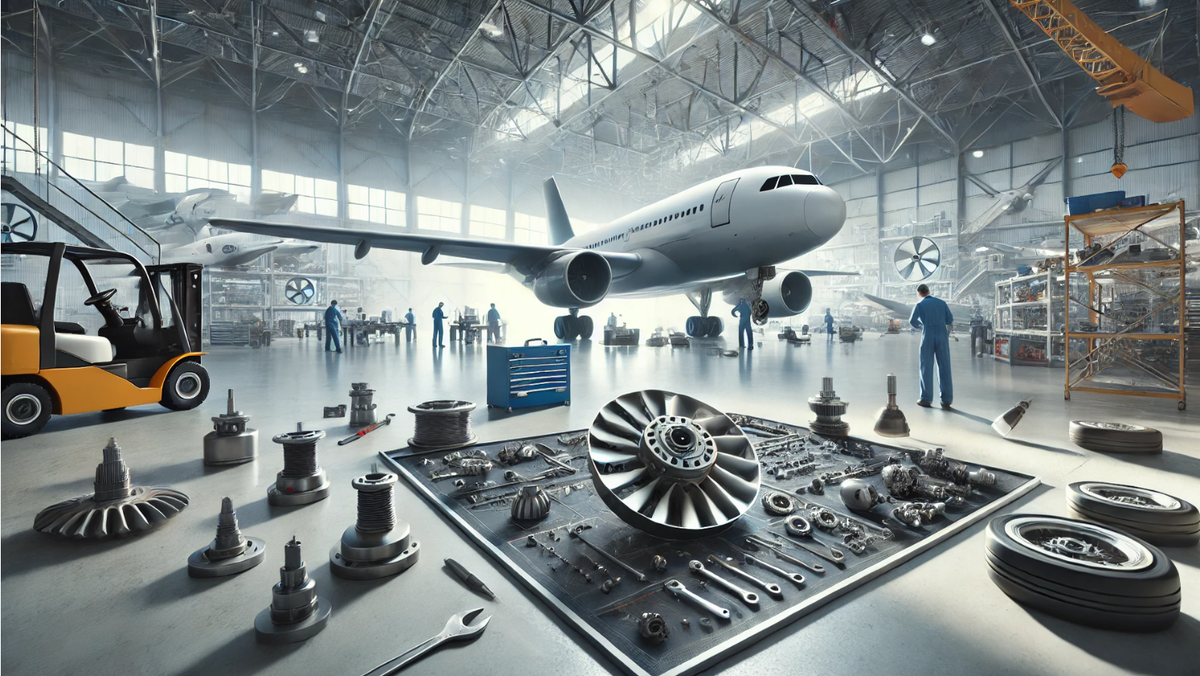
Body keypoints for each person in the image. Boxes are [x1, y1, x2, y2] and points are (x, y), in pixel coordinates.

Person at [909, 283, 953, 408]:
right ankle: (947, 399)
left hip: (928, 335)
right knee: (944, 366)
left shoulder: (920, 304)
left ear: (919, 293)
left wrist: (921, 326)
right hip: (941, 335)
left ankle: (926, 399)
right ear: (928, 291)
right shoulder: (942, 303)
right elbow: (949, 320)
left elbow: (912, 321)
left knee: (926, 366)